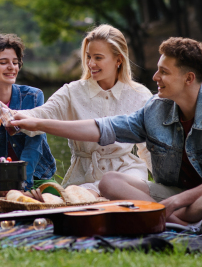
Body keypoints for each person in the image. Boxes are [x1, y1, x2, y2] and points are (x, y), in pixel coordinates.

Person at [11, 37, 202, 228]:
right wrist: (38, 123)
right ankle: (181, 225)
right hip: (175, 196)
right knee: (110, 182)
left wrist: (174, 202)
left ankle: (162, 218)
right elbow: (104, 128)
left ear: (188, 78)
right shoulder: (156, 108)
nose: (155, 77)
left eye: (163, 72)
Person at [20, 25, 152, 197]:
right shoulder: (71, 92)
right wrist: (7, 114)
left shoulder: (140, 95)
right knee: (77, 201)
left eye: (98, 58)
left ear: (118, 59)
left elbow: (149, 148)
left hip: (127, 174)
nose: (90, 64)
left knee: (112, 200)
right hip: (83, 178)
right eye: (89, 57)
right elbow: (40, 115)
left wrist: (167, 185)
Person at [0, 33, 57, 192]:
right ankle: (0, 188)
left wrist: (22, 183)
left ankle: (7, 192)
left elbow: (35, 143)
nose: (12, 67)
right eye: (3, 62)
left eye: (15, 62)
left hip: (34, 176)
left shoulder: (33, 96)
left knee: (53, 193)